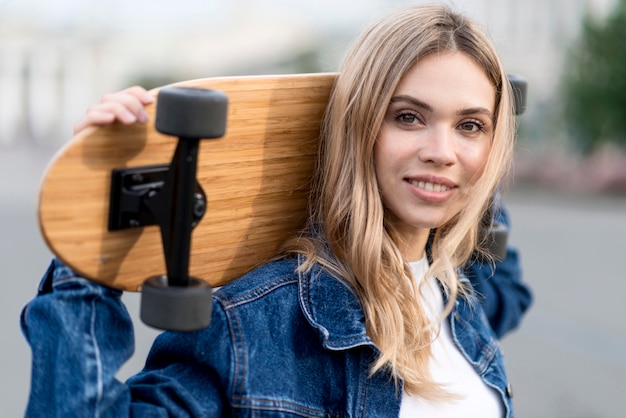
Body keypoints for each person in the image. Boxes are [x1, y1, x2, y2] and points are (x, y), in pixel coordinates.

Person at [21, 4, 532, 417]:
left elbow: (509, 289)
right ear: (358, 129)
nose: (442, 150)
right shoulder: (254, 327)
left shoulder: (459, 299)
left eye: (471, 126)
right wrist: (90, 235)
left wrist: (474, 182)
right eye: (408, 117)